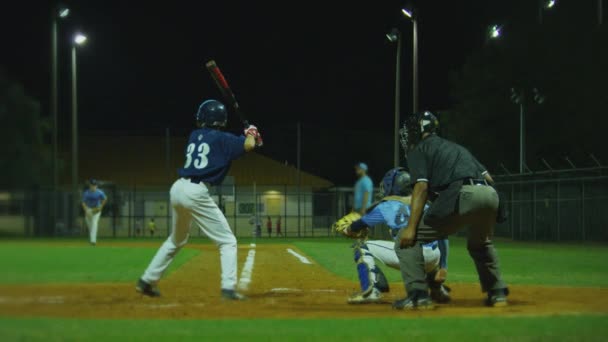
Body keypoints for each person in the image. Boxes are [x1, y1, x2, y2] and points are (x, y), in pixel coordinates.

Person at [136, 99, 262, 300]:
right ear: (222, 119)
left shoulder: (195, 135)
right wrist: (252, 133)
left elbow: (243, 144)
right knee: (228, 241)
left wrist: (251, 137)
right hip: (196, 192)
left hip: (177, 188)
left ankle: (146, 281)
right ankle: (228, 289)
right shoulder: (223, 139)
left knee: (176, 240)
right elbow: (248, 145)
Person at [393, 111, 508, 310]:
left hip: (462, 195)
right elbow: (489, 178)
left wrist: (411, 228)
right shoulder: (458, 148)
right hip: (490, 195)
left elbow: (421, 187)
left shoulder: (419, 149)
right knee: (480, 243)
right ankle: (497, 293)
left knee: (407, 240)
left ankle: (418, 296)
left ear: (418, 130)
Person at [336, 168, 450, 304]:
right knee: (429, 246)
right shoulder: (424, 203)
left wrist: (347, 229)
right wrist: (443, 265)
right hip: (434, 258)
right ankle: (437, 289)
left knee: (362, 246)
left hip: (411, 257)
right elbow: (443, 235)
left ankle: (371, 291)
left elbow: (358, 225)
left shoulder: (386, 205)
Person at [81, 179, 107, 246]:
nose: (93, 186)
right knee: (90, 227)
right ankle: (92, 239)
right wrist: (86, 210)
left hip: (96, 210)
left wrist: (101, 206)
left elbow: (105, 198)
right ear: (90, 186)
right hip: (89, 210)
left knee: (94, 223)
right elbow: (83, 202)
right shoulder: (86, 193)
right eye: (92, 185)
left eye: (95, 185)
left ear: (96, 186)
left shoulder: (99, 192)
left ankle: (93, 241)